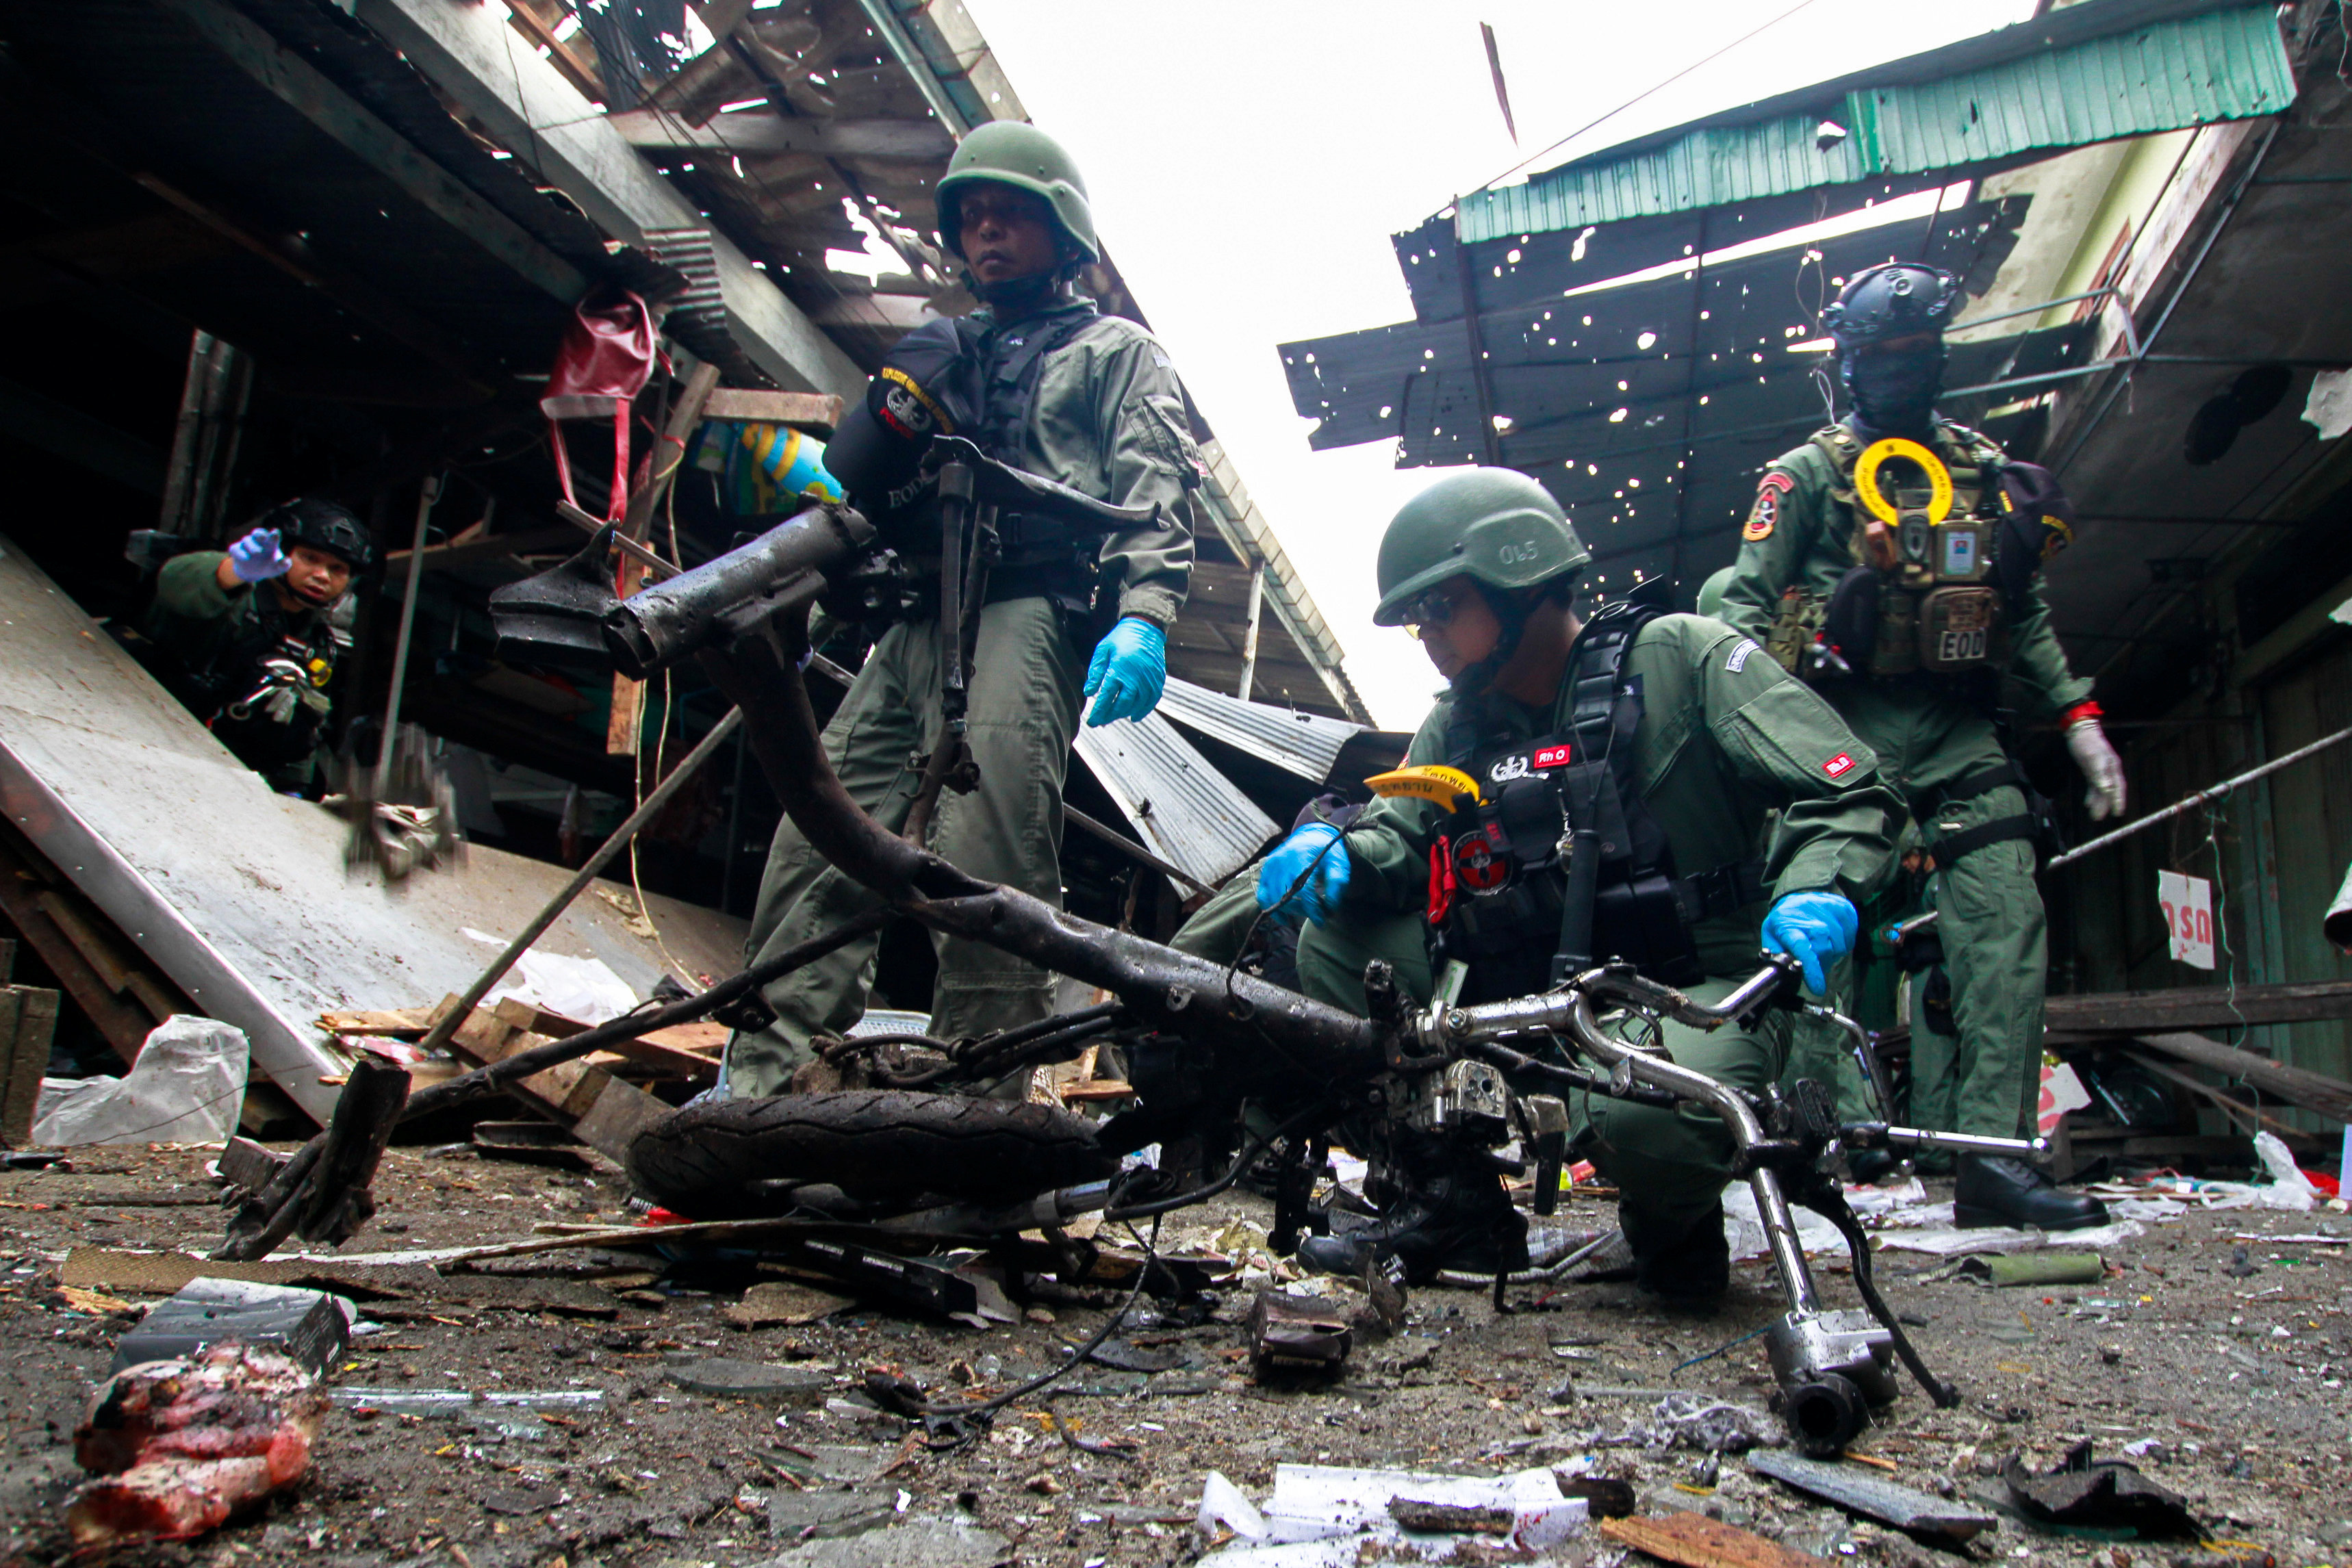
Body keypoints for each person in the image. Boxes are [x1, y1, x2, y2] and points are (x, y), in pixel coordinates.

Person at [1245, 470, 1901, 1302]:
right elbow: (1399, 838)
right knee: (1336, 942)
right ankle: (1453, 1204)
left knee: (1647, 1120)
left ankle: (1673, 1222)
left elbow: (1845, 788)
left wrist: (1818, 885)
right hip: (1520, 1002)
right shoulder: (1457, 722)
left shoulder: (1681, 659)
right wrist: (1331, 847)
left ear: (1515, 580)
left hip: (1685, 991)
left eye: (1441, 606)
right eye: (1418, 619)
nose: (1427, 634)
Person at [724, 121, 1200, 1098]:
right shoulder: (939, 353)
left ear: (1065, 233)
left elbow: (1155, 488)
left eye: (1011, 215)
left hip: (1025, 611)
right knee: (819, 832)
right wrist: (820, 597)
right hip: (910, 617)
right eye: (972, 218)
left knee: (989, 855)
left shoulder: (1116, 352)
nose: (987, 234)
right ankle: (763, 1090)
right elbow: (868, 492)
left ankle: (975, 1109)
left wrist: (1145, 610)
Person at [1714, 261, 2122, 1231]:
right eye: (1880, 356)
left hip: (1956, 724)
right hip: (1838, 727)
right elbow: (1736, 609)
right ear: (1848, 364)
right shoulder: (1806, 476)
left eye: (1916, 354)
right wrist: (1774, 677)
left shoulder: (1981, 471)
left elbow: (2019, 613)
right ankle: (1817, 1143)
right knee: (1819, 932)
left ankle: (1992, 1158)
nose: (1900, 372)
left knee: (2006, 910)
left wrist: (2079, 717)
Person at [133, 499, 370, 791]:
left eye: (337, 569)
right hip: (145, 738)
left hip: (218, 775)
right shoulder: (236, 591)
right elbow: (176, 583)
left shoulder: (318, 644)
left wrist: (291, 791)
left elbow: (307, 726)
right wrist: (233, 572)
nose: (323, 575)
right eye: (310, 558)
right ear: (282, 552)